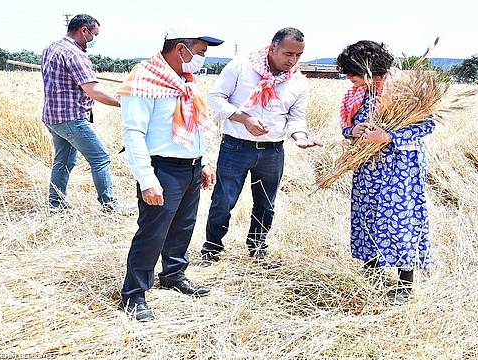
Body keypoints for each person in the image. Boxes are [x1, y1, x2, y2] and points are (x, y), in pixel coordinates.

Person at [118, 27, 223, 321]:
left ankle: (174, 274)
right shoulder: (144, 80)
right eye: (200, 51)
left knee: (183, 227)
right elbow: (134, 134)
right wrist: (147, 179)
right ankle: (134, 294)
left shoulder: (185, 81)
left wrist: (202, 162)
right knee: (152, 232)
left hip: (189, 169)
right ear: (181, 49)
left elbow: (196, 126)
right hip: (162, 169)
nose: (202, 58)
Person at [199, 27, 322, 263]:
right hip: (235, 146)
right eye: (288, 54)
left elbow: (296, 117)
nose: (292, 60)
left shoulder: (298, 82)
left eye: (298, 55)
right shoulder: (241, 67)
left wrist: (300, 137)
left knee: (266, 203)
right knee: (224, 200)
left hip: (273, 151)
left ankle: (257, 248)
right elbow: (215, 98)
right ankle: (212, 248)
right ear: (273, 47)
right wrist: (243, 118)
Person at [337, 40, 435, 305]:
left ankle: (405, 282)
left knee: (399, 218)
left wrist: (388, 136)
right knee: (366, 215)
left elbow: (428, 125)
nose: (348, 78)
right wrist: (351, 132)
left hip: (400, 168)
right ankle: (372, 270)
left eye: (352, 72)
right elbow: (348, 126)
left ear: (368, 69)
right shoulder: (358, 94)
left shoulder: (405, 90)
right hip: (367, 167)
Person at [41, 14, 124, 211]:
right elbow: (93, 91)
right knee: (101, 158)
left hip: (53, 117)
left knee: (63, 161)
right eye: (94, 35)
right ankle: (109, 205)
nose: (94, 40)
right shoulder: (76, 55)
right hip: (71, 118)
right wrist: (123, 103)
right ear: (83, 30)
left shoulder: (51, 48)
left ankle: (56, 205)